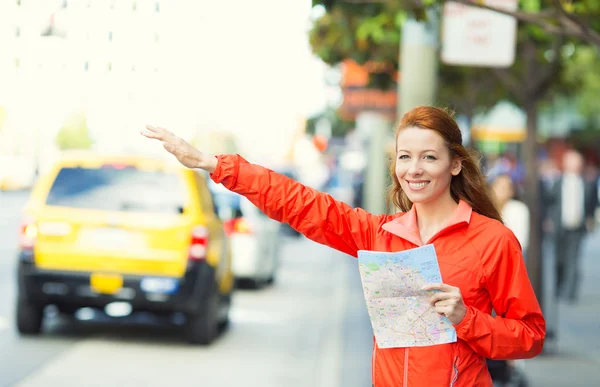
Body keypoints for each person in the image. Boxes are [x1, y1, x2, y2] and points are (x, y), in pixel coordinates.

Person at [141, 106, 545, 387]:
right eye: (405, 157)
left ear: (454, 164)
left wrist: (467, 319)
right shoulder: (380, 234)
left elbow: (530, 335)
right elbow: (301, 203)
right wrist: (216, 165)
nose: (414, 169)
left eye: (429, 157)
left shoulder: (492, 239)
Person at [546, 149, 598, 303]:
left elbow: (592, 204)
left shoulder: (588, 184)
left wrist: (590, 219)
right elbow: (550, 202)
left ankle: (570, 291)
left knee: (574, 259)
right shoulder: (557, 183)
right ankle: (559, 287)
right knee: (559, 259)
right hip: (559, 227)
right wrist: (549, 220)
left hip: (577, 227)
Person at [490, 174, 530, 253]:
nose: (501, 190)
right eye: (498, 186)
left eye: (504, 187)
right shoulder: (487, 209)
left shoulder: (519, 209)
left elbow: (521, 241)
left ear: (511, 191)